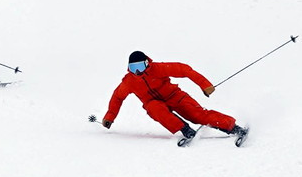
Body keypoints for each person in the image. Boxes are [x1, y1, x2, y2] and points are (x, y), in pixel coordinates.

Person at [98, 50, 248, 147]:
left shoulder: (158, 68)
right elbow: (117, 97)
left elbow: (184, 70)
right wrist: (109, 117)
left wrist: (205, 85)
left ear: (147, 63)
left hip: (174, 96)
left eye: (140, 66)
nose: (137, 71)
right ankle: (186, 130)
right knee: (154, 108)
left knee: (197, 115)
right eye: (133, 68)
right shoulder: (129, 81)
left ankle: (234, 128)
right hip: (154, 102)